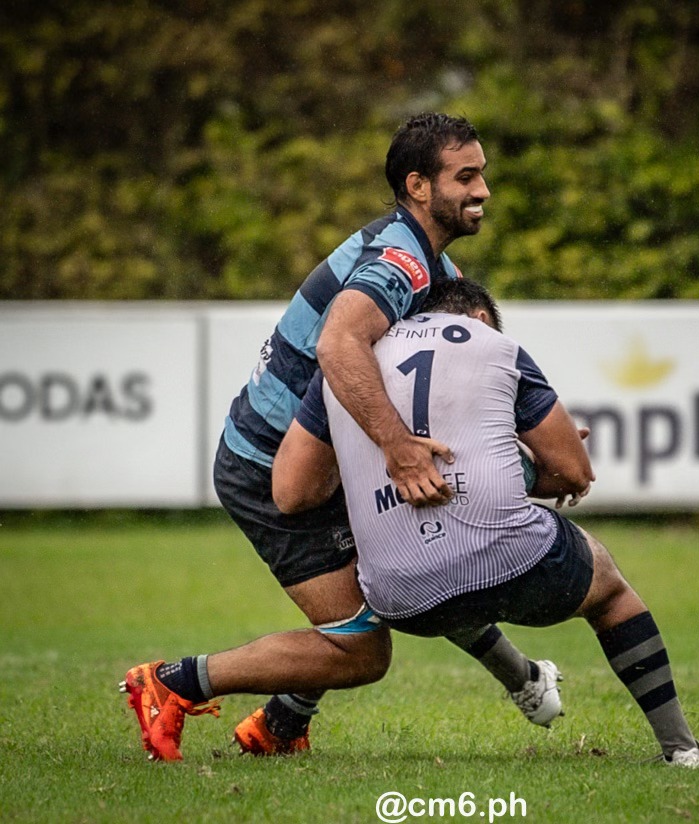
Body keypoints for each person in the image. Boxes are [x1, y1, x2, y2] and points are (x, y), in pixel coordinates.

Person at [120, 114, 562, 762]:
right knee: (360, 648)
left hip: (321, 457)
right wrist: (400, 447)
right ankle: (170, 684)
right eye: (465, 176)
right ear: (418, 185)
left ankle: (279, 724)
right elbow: (337, 343)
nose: (482, 189)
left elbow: (444, 377)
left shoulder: (428, 261)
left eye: (482, 174)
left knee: (419, 569)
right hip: (271, 467)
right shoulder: (398, 262)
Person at [272, 278, 699, 768]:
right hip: (510, 561)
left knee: (438, 571)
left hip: (399, 600)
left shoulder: (346, 365)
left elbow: (291, 492)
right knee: (609, 591)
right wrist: (518, 466)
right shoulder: (492, 344)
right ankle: (682, 750)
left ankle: (522, 678)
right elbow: (574, 472)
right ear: (480, 318)